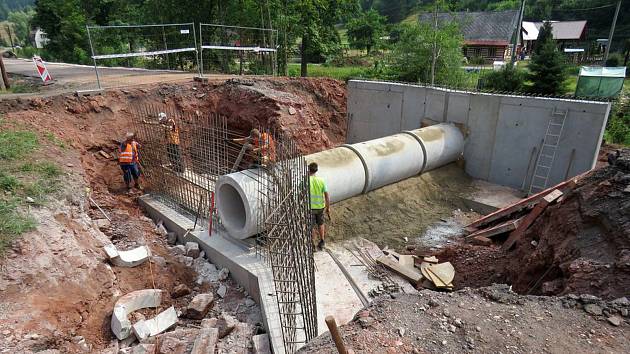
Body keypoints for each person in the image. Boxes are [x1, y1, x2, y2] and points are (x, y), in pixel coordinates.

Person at [308, 162, 330, 250]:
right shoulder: (321, 180)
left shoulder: (305, 181)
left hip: (310, 208)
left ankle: (312, 244)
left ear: (308, 170)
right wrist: (328, 207)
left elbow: (300, 195)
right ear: (316, 170)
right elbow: (327, 195)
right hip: (320, 207)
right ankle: (322, 241)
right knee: (321, 224)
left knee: (311, 226)